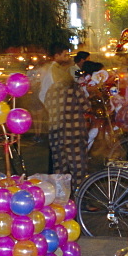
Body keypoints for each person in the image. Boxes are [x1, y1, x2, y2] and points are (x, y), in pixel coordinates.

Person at [45, 41, 89, 183]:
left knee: (59, 170)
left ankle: (61, 200)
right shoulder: (75, 88)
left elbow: (47, 106)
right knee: (78, 169)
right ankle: (80, 199)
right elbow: (86, 106)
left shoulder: (51, 90)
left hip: (56, 136)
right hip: (74, 136)